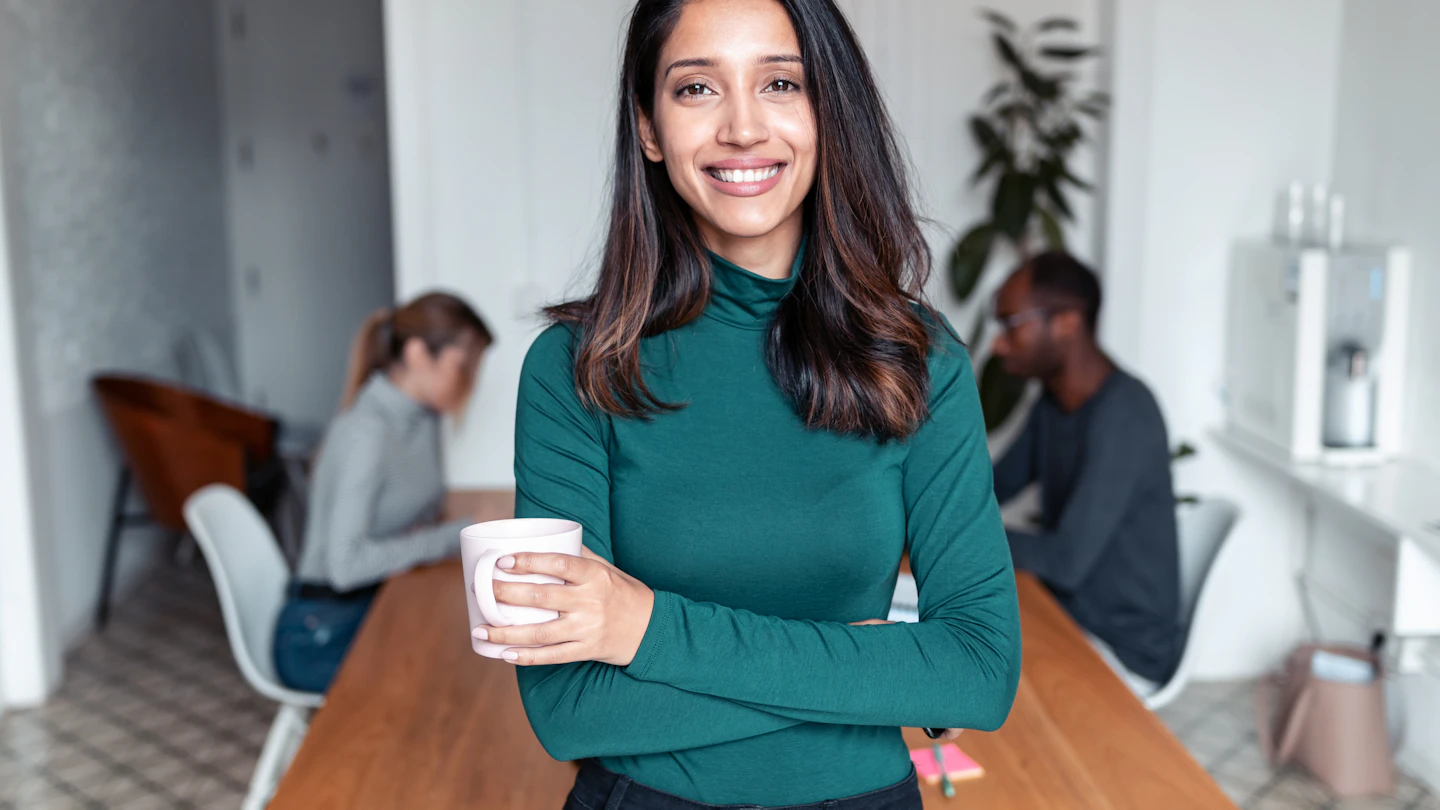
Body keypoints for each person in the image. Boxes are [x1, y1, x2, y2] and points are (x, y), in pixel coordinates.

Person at [471, 1, 1022, 808]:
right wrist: (874, 672)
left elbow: (978, 672)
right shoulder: (577, 369)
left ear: (827, 110)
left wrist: (643, 630)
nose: (742, 127)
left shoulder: (919, 359)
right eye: (697, 88)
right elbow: (570, 712)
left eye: (780, 83)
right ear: (651, 130)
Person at [273, 292, 492, 693]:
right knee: (449, 684)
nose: (469, 384)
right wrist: (452, 538)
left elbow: (419, 509)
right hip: (320, 630)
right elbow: (345, 567)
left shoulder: (421, 416)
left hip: (370, 602)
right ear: (417, 353)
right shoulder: (367, 432)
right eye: (462, 367)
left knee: (468, 656)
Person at [989, 251, 1181, 696]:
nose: (998, 344)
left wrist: (955, 537)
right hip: (1068, 615)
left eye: (1010, 325)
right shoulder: (1054, 404)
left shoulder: (1127, 415)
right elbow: (991, 488)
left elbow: (1066, 562)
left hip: (1121, 649)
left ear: (1067, 324)